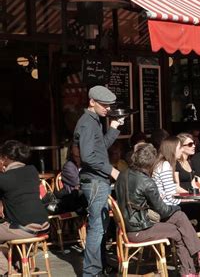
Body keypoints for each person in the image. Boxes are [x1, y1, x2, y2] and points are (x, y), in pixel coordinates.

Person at [115, 143, 200, 277]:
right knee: (179, 228)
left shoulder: (123, 175)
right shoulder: (147, 182)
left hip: (127, 226)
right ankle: (191, 269)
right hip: (139, 230)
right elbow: (163, 211)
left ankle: (195, 262)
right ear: (151, 163)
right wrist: (177, 207)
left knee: (179, 219)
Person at [73, 85, 123, 277]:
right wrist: (112, 170)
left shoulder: (94, 121)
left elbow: (100, 148)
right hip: (94, 181)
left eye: (110, 105)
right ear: (92, 102)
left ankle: (99, 267)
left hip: (96, 180)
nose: (108, 109)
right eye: (104, 105)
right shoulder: (87, 122)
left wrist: (113, 128)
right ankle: (91, 272)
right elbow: (88, 157)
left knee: (100, 227)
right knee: (97, 229)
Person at [0, 140, 50, 275]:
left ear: (4, 158)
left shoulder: (4, 178)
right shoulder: (32, 170)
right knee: (12, 227)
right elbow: (43, 196)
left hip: (25, 227)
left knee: (11, 228)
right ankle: (21, 266)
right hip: (44, 224)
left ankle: (7, 272)